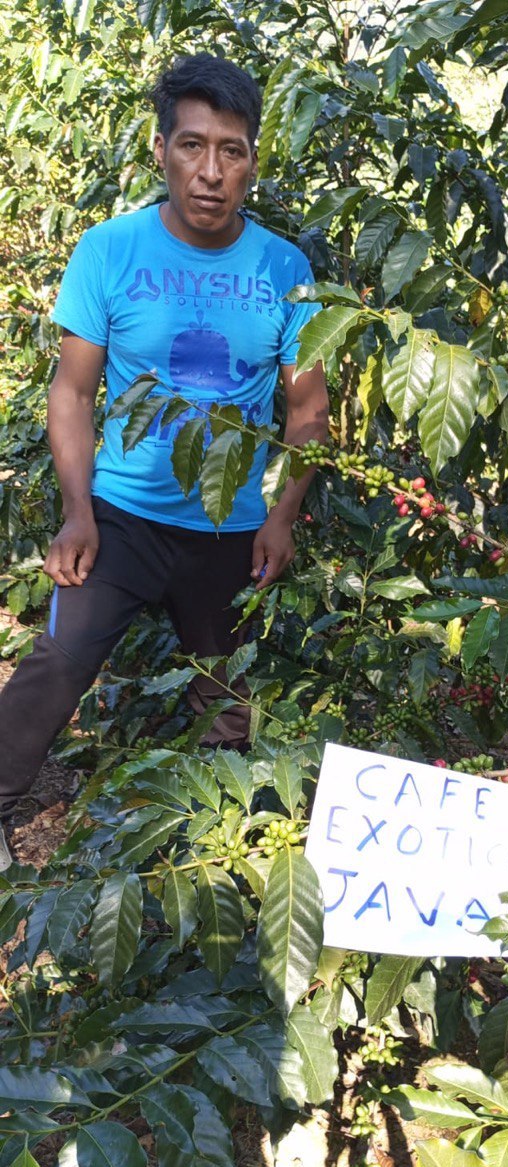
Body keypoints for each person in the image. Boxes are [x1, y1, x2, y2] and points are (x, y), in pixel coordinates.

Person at [0, 53, 329, 869]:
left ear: (254, 158)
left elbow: (309, 410)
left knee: (227, 698)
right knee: (58, 663)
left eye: (232, 149)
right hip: (122, 518)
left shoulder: (285, 271)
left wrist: (281, 517)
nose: (211, 172)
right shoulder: (109, 251)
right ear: (160, 151)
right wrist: (78, 512)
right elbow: (73, 393)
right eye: (192, 146)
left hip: (229, 528)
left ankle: (222, 855)